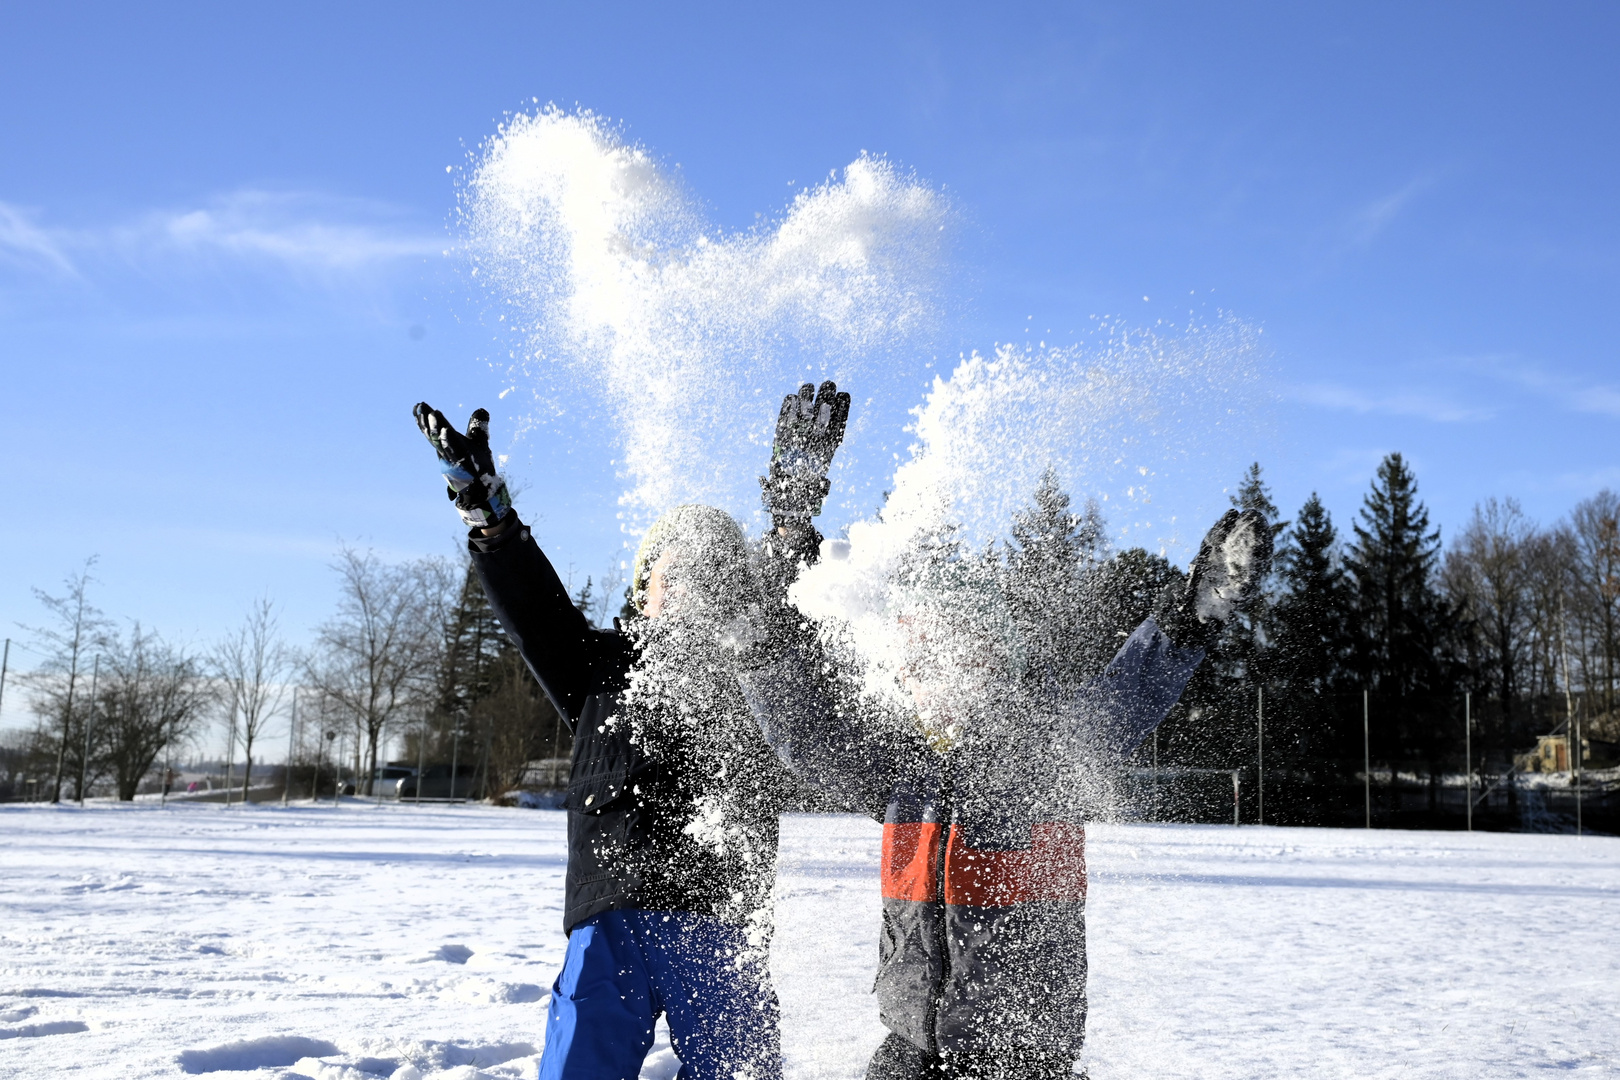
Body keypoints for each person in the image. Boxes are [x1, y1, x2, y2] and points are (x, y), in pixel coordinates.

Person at [734, 507, 1273, 1080]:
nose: (917, 673)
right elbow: (810, 740)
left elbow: (1130, 692)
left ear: (991, 660)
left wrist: (1195, 612)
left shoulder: (1043, 755)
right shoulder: (901, 766)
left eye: (940, 653)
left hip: (1019, 1054)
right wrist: (759, 644)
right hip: (912, 1042)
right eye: (909, 659)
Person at [410, 381, 849, 1080]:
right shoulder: (598, 664)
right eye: (671, 573)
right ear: (644, 587)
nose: (688, 587)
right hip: (612, 913)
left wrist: (792, 517)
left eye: (711, 575)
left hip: (722, 916)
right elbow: (535, 610)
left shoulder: (753, 666)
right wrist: (492, 521)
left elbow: (783, 615)